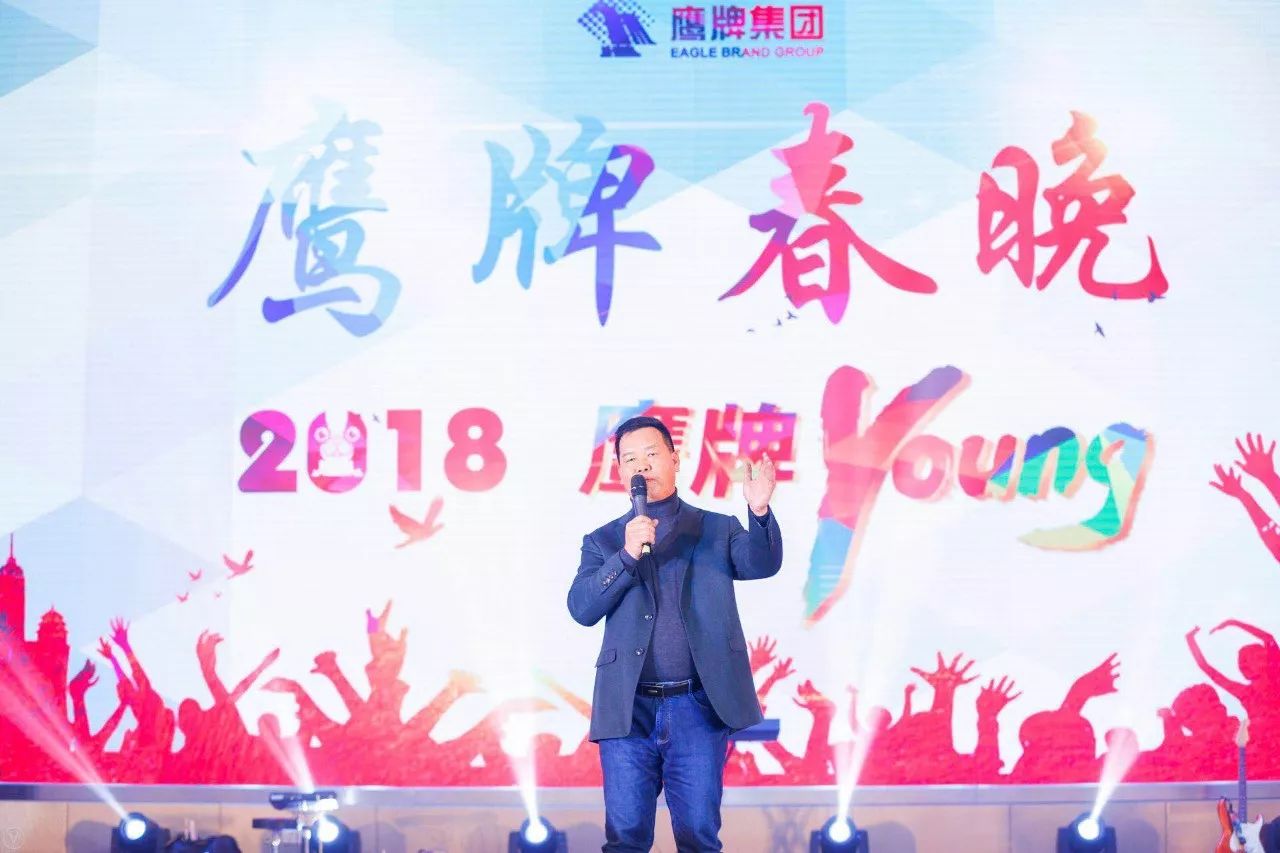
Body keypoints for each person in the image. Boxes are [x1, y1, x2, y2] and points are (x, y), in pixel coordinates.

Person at [567, 415, 782, 852]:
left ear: (675, 459)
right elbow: (582, 608)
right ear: (620, 471)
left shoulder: (717, 529)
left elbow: (761, 564)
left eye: (651, 454)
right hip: (627, 709)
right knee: (625, 838)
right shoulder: (604, 541)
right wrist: (626, 556)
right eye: (630, 459)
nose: (642, 466)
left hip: (696, 707)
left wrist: (759, 512)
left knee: (698, 836)